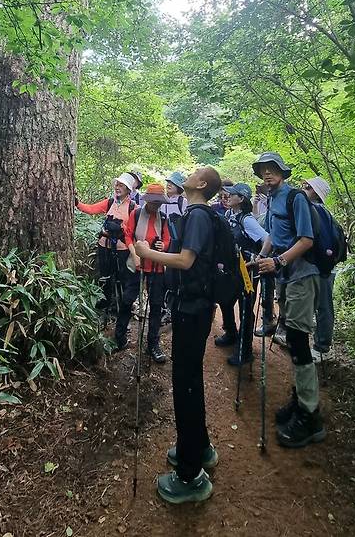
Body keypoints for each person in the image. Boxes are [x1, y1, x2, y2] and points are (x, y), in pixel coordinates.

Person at [134, 165, 222, 505]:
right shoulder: (198, 213)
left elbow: (186, 261)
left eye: (196, 172)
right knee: (190, 381)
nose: (188, 173)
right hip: (195, 309)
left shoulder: (198, 215)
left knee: (185, 385)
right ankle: (199, 448)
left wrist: (146, 253)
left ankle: (190, 475)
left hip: (192, 310)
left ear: (201, 184)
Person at [253, 152, 327, 448]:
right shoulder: (273, 199)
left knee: (297, 339)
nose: (267, 175)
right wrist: (261, 257)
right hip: (287, 277)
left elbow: (306, 240)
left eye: (273, 170)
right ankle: (300, 401)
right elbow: (273, 233)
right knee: (295, 340)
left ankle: (310, 415)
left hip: (302, 276)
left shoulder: (296, 198)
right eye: (263, 171)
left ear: (282, 172)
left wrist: (278, 262)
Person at [116, 183, 171, 362]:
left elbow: (167, 240)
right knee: (127, 300)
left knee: (156, 305)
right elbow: (128, 235)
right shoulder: (137, 213)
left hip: (156, 266)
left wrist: (163, 246)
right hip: (136, 264)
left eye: (158, 202)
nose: (156, 205)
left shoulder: (163, 218)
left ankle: (152, 344)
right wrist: (135, 254)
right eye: (153, 202)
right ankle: (119, 337)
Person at [219, 183, 269, 367]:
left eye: (232, 195)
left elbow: (267, 238)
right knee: (224, 300)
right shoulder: (229, 215)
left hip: (247, 272)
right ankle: (231, 332)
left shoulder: (247, 220)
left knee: (246, 309)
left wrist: (260, 258)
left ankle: (244, 350)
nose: (227, 196)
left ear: (241, 199)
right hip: (232, 270)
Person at [75, 173, 136, 313]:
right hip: (105, 246)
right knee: (105, 275)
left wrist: (121, 229)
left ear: (128, 189)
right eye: (117, 184)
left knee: (122, 277)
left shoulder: (133, 207)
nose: (118, 187)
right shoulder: (109, 203)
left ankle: (122, 305)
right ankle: (105, 302)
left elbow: (133, 229)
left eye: (121, 185)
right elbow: (91, 209)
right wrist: (76, 202)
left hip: (122, 249)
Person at [302, 176, 336, 363]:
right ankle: (320, 344)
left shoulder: (318, 210)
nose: (304, 188)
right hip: (321, 266)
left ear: (316, 192)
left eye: (308, 186)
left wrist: (321, 264)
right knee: (319, 305)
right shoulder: (315, 209)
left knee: (323, 306)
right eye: (304, 185)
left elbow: (322, 242)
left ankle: (323, 347)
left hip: (323, 267)